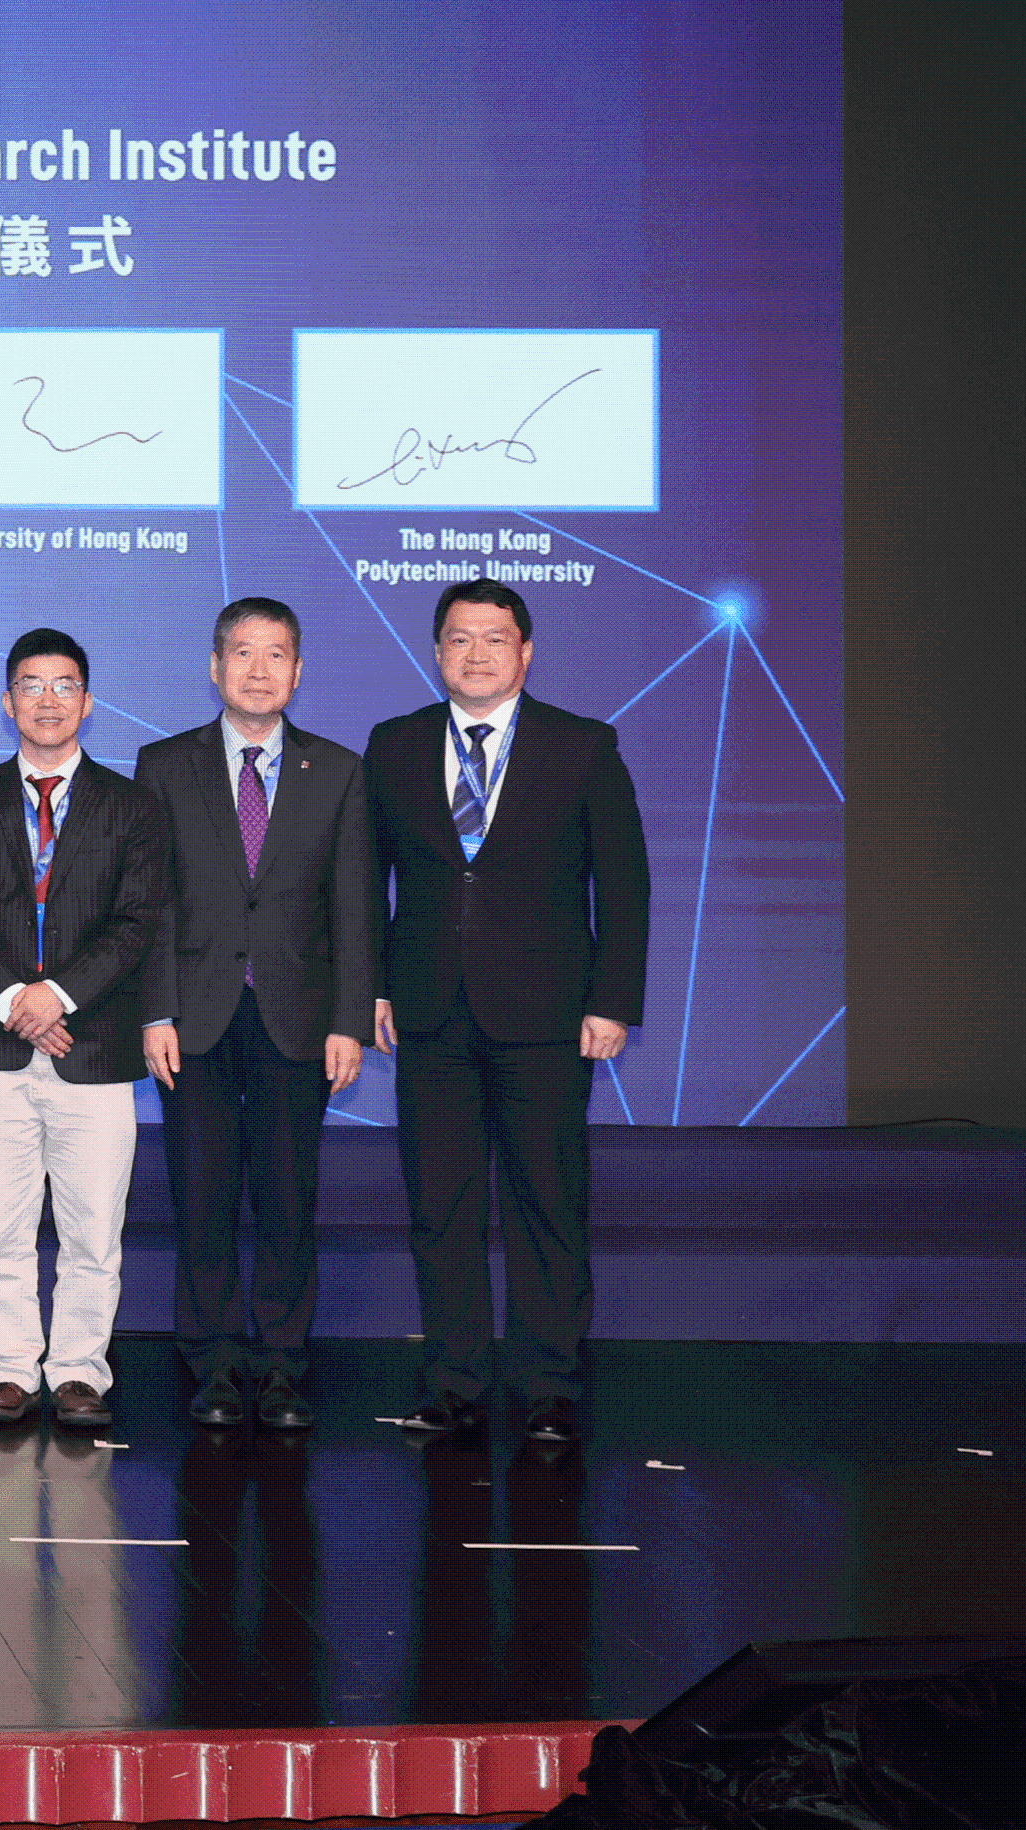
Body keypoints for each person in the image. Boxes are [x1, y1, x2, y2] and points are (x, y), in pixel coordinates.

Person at [364, 580, 649, 1444]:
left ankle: (549, 1386)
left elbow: (624, 884)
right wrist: (371, 985)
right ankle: (452, 1382)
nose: (476, 654)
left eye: (494, 639)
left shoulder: (581, 746)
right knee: (440, 1209)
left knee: (546, 1203)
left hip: (548, 1018)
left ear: (526, 652)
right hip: (427, 1014)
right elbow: (365, 879)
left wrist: (612, 1000)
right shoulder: (395, 743)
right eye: (457, 639)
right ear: (435, 651)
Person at [134, 596, 378, 1432]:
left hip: (296, 1017)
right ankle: (210, 1360)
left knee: (285, 1195)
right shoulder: (163, 766)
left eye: (277, 654)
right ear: (214, 666)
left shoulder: (339, 771)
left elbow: (354, 907)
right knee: (200, 1197)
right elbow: (152, 903)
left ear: (298, 671)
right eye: (242, 653)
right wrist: (153, 1010)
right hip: (193, 1018)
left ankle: (278, 1361)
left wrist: (348, 1019)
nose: (259, 669)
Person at [0, 628, 170, 1431]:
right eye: (30, 686)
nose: (47, 700)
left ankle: (76, 1373)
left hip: (93, 1048)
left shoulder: (131, 804)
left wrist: (58, 997)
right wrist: (14, 1002)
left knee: (92, 1227)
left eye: (64, 686)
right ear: (6, 703)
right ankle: (5, 1370)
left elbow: (137, 922)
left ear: (87, 703)